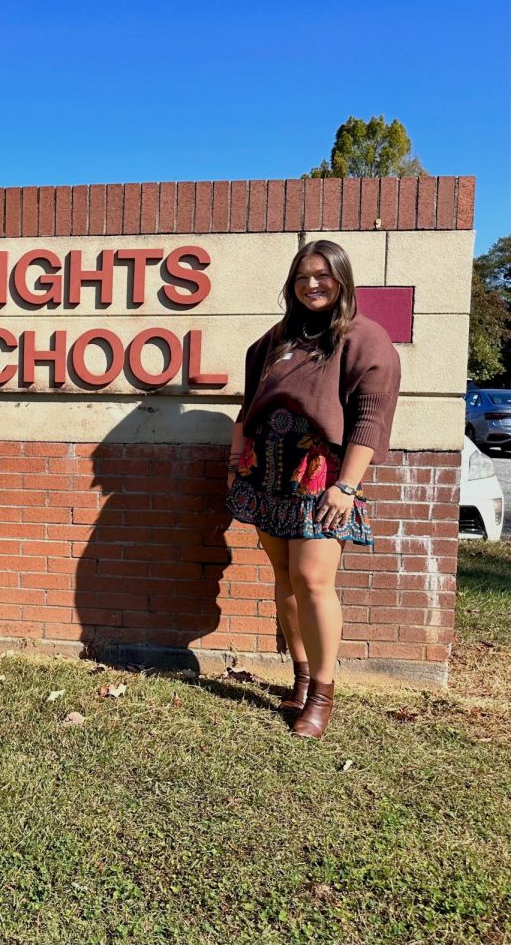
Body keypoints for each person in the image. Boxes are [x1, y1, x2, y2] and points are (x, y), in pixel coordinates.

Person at [225, 240, 401, 739]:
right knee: (283, 577)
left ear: (342, 279)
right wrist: (234, 463)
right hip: (267, 469)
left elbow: (370, 418)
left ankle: (322, 694)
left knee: (313, 580)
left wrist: (347, 485)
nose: (312, 284)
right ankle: (300, 677)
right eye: (302, 276)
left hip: (320, 472)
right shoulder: (275, 339)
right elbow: (247, 407)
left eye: (322, 275)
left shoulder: (365, 339)